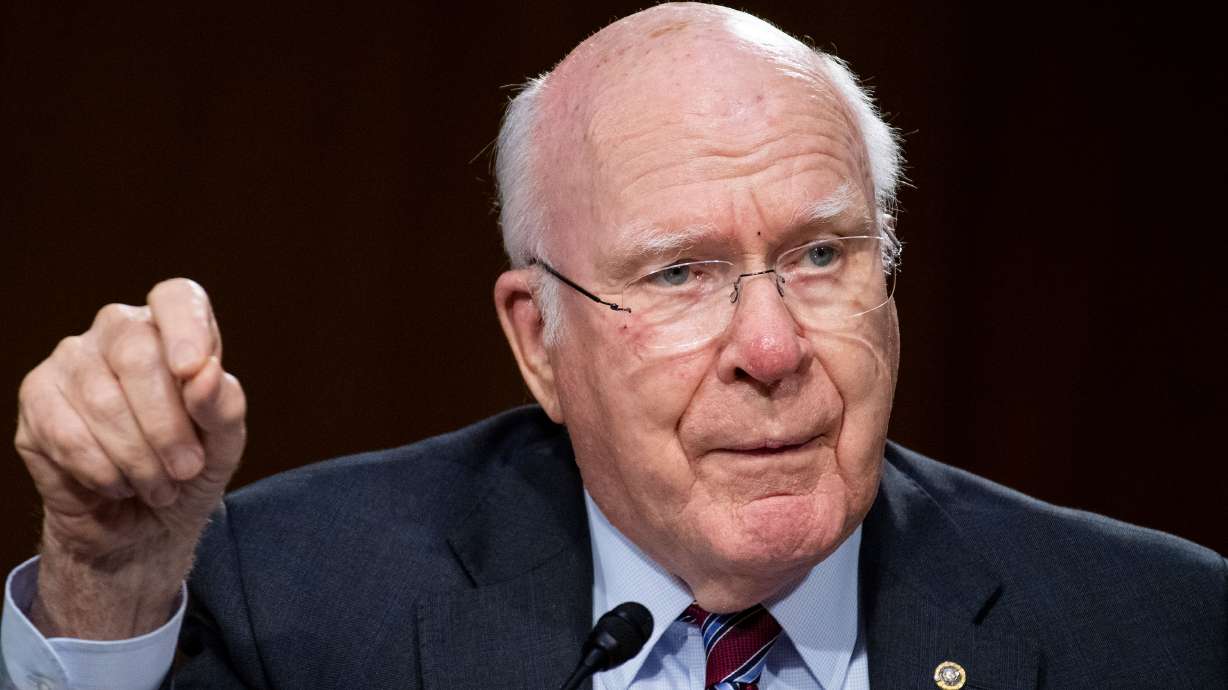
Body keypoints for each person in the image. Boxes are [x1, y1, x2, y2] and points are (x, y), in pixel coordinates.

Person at [2, 3, 1224, 689]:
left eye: (818, 255)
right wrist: (105, 583)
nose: (770, 344)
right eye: (679, 273)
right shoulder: (302, 602)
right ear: (540, 344)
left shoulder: (1165, 633)